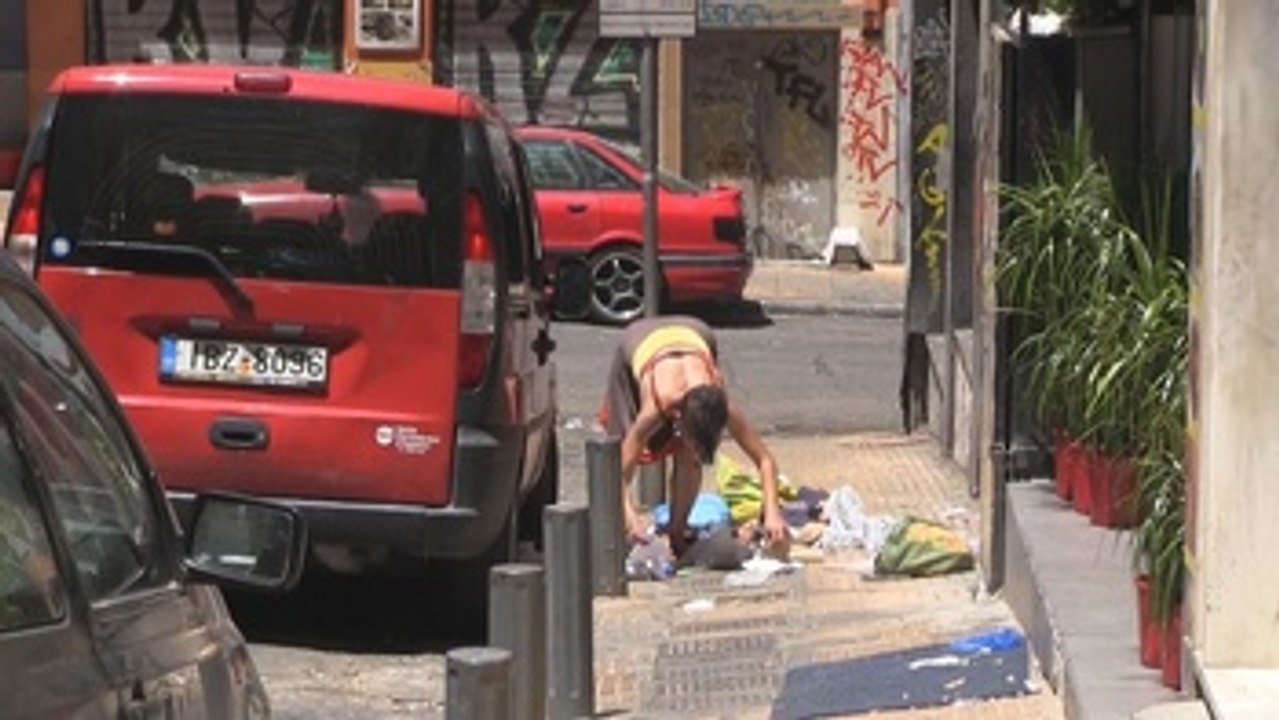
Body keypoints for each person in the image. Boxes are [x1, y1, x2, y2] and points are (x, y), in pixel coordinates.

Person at [601, 315, 786, 558]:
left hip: (696, 332)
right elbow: (617, 474)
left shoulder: (722, 403)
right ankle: (623, 534)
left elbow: (765, 460)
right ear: (678, 417)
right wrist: (630, 517)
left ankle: (677, 533)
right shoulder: (657, 404)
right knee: (616, 448)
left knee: (689, 456)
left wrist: (772, 512)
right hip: (638, 338)